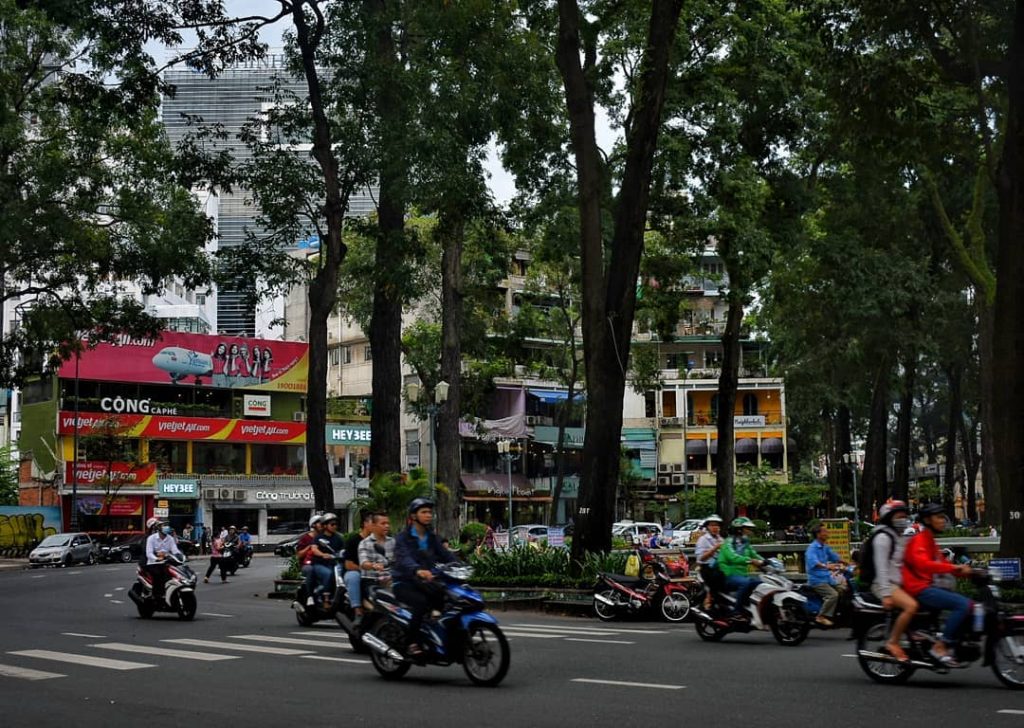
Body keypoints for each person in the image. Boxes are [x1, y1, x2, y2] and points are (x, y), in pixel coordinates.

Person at [902, 503, 973, 667]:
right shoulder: (919, 539)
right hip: (919, 587)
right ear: (927, 520)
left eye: (943, 517)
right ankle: (940, 646)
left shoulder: (929, 539)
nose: (943, 521)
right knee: (963, 604)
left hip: (927, 584)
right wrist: (954, 567)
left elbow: (941, 562)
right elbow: (924, 564)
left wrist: (968, 572)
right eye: (939, 517)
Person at [393, 498, 456, 657]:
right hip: (405, 582)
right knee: (421, 603)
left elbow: (446, 555)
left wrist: (461, 565)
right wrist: (417, 570)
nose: (428, 515)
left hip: (426, 581)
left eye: (430, 512)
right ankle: (412, 643)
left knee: (450, 597)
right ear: (414, 516)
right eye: (424, 512)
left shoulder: (432, 537)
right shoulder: (403, 538)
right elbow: (404, 558)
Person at [718, 517, 763, 618]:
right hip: (728, 575)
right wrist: (750, 561)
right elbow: (733, 557)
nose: (750, 531)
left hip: (742, 575)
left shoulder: (745, 541)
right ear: (739, 529)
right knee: (745, 583)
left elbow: (754, 554)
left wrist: (767, 562)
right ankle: (736, 611)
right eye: (747, 528)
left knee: (760, 583)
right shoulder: (728, 542)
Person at [805, 525, 846, 627]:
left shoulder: (824, 547)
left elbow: (834, 556)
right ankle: (821, 616)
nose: (827, 533)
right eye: (824, 531)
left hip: (827, 578)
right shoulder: (812, 548)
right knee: (832, 595)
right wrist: (827, 566)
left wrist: (846, 562)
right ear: (818, 534)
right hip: (817, 580)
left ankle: (837, 614)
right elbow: (813, 562)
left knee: (844, 589)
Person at [343, 512, 374, 624]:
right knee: (353, 577)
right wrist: (365, 568)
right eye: (372, 522)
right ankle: (357, 610)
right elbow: (348, 565)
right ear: (365, 523)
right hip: (356, 571)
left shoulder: (380, 541)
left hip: (375, 573)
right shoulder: (353, 540)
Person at [145, 517, 183, 599]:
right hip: (154, 563)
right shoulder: (151, 538)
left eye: (167, 525)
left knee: (178, 573)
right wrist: (156, 558)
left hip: (166, 563)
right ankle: (156, 595)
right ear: (159, 527)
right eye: (164, 525)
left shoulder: (170, 539)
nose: (167, 527)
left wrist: (180, 556)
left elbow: (175, 550)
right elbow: (149, 553)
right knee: (159, 574)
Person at [311, 513, 345, 607]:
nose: (335, 526)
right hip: (319, 564)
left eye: (336, 524)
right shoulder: (319, 537)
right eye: (332, 524)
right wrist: (323, 554)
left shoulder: (339, 537)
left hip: (334, 563)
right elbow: (314, 549)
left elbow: (343, 549)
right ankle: (326, 599)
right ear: (325, 525)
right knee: (328, 573)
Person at [694, 515, 725, 609]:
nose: (715, 527)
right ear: (708, 527)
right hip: (707, 568)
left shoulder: (721, 539)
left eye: (717, 525)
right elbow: (700, 558)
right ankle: (709, 600)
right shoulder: (703, 540)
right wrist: (714, 549)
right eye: (712, 525)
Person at [359, 511, 395, 587]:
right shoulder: (364, 543)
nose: (387, 526)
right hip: (371, 579)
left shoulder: (392, 541)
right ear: (373, 525)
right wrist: (373, 565)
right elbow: (363, 563)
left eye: (388, 523)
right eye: (383, 523)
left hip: (391, 579)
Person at [296, 514, 324, 602]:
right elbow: (299, 555)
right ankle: (310, 596)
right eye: (320, 523)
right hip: (307, 564)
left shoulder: (325, 537)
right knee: (311, 570)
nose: (322, 525)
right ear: (313, 525)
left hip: (322, 563)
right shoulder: (306, 538)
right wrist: (309, 547)